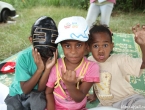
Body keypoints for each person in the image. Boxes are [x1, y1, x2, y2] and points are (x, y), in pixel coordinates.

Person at [45, 16, 100, 110]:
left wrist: (70, 85)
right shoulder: (56, 65)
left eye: (79, 45)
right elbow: (48, 92)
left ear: (86, 45)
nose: (73, 51)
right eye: (67, 45)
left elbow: (79, 97)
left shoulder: (92, 67)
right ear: (61, 46)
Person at [4, 16, 58, 110]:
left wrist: (47, 68)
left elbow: (40, 89)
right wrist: (40, 69)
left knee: (39, 103)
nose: (44, 57)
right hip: (17, 93)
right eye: (41, 37)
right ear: (31, 40)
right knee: (14, 106)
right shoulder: (23, 57)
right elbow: (25, 89)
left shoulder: (53, 58)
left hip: (36, 93)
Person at [87, 24, 145, 109]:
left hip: (129, 101)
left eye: (105, 45)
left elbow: (143, 64)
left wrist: (143, 45)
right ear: (89, 48)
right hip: (107, 106)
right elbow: (98, 82)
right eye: (95, 46)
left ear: (111, 46)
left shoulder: (120, 60)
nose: (101, 50)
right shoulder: (90, 61)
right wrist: (95, 95)